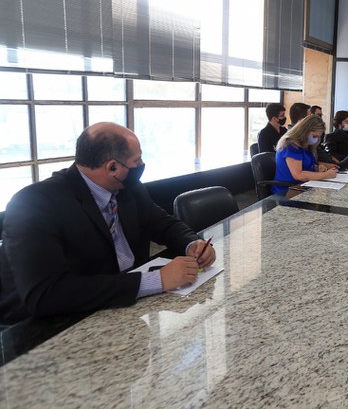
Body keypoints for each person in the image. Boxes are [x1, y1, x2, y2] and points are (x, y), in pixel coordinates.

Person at [0, 123, 216, 324]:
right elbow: (46, 294)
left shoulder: (128, 187)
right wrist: (156, 280)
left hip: (122, 310)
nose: (141, 165)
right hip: (51, 326)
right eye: (137, 160)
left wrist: (192, 243)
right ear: (113, 167)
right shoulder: (35, 204)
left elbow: (161, 223)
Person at [273, 115, 338, 194]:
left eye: (318, 137)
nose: (316, 139)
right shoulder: (290, 145)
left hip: (304, 186)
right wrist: (326, 175)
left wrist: (317, 168)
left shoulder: (305, 145)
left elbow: (307, 165)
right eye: (314, 136)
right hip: (288, 190)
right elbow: (298, 175)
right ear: (304, 131)